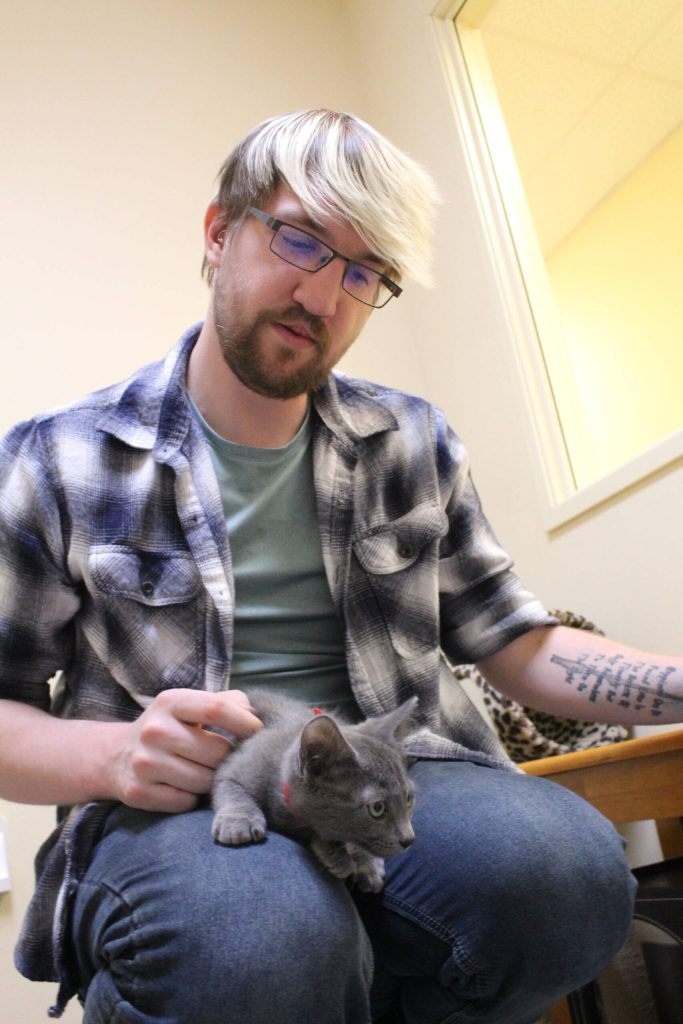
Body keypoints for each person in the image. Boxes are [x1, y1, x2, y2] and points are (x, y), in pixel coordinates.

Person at [0, 108, 680, 1024]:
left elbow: (513, 641)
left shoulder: (411, 439)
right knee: (262, 942)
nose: (323, 298)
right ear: (217, 232)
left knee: (567, 879)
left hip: (397, 770)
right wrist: (113, 753)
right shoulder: (59, 460)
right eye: (302, 241)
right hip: (176, 810)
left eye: (365, 273)